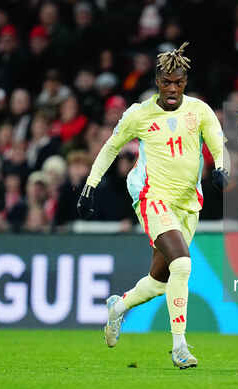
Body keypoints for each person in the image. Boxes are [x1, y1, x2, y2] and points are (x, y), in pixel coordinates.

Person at [76, 42, 229, 369]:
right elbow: (110, 147)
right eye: (166, 82)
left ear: (185, 83)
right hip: (152, 197)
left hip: (189, 204)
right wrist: (90, 185)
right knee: (183, 265)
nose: (172, 89)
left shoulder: (199, 110)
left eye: (178, 83)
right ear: (157, 81)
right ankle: (179, 347)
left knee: (160, 280)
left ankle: (118, 307)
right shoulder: (139, 114)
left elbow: (217, 141)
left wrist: (221, 167)